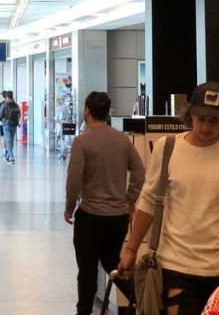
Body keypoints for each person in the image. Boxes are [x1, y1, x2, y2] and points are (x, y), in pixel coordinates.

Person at [117, 82, 219, 315]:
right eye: (200, 118)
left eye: (214, 120)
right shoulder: (168, 149)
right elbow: (147, 202)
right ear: (190, 115)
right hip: (176, 268)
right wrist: (131, 250)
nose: (205, 127)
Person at [64, 91, 146, 315]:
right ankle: (143, 301)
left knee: (87, 270)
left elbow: (74, 179)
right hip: (117, 218)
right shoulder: (122, 140)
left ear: (87, 111)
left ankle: (83, 312)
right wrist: (130, 201)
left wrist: (69, 208)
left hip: (90, 216)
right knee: (112, 263)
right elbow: (139, 171)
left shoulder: (82, 141)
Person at [0, 92, 21, 164]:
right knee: (11, 141)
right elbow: (19, 115)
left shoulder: (4, 104)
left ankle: (11, 157)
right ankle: (8, 156)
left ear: (6, 96)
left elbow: (0, 115)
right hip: (14, 124)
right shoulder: (16, 105)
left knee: (8, 141)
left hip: (6, 124)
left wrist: (2, 120)